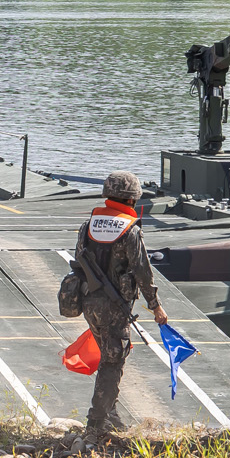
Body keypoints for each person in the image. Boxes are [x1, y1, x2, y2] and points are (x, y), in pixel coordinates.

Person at [73, 169, 165, 442]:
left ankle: (112, 417)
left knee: (108, 355)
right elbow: (143, 272)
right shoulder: (130, 230)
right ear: (133, 200)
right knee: (113, 362)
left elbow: (79, 260)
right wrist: (156, 306)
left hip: (90, 302)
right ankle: (95, 426)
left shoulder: (88, 225)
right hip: (115, 306)